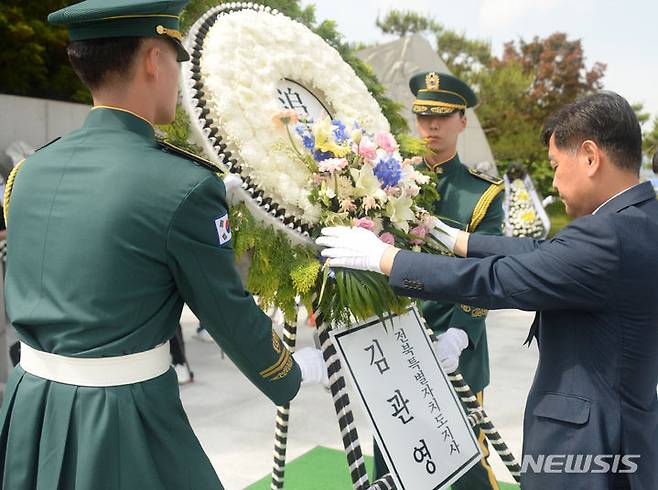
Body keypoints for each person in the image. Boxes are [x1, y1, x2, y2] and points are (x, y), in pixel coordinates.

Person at [0, 1, 327, 488]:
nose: (178, 73)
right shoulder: (184, 185)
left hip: (29, 407)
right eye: (177, 58)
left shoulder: (27, 173)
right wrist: (288, 371)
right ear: (154, 59)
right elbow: (226, 310)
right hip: (120, 420)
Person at [318, 91, 658, 490]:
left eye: (554, 166)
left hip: (589, 448)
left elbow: (498, 280)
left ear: (589, 156)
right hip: (622, 434)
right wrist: (459, 239)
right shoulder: (638, 219)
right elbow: (544, 251)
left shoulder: (608, 235)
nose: (552, 180)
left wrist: (387, 260)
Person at [372, 71, 504, 490]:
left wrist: (460, 335)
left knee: (465, 471)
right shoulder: (388, 183)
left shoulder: (482, 195)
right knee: (395, 468)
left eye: (443, 117)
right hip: (396, 348)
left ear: (462, 121)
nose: (431, 126)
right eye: (424, 116)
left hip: (455, 354)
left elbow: (487, 276)